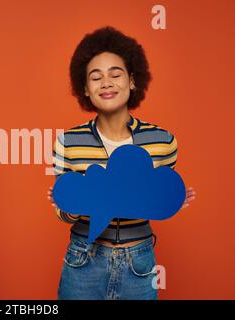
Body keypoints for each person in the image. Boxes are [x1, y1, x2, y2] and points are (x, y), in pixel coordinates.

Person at [47, 26, 196, 300]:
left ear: (132, 81)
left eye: (115, 74)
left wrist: (171, 198)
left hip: (139, 262)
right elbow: (63, 214)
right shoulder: (67, 141)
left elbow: (157, 200)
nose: (106, 82)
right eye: (96, 77)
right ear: (85, 89)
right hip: (84, 259)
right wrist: (71, 202)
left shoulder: (163, 141)